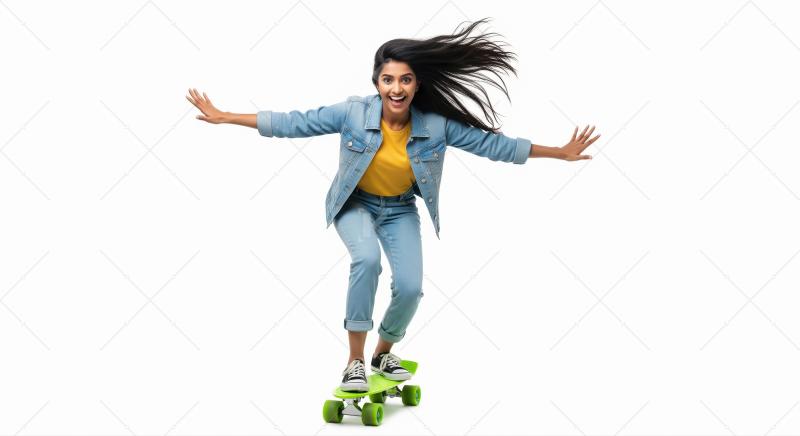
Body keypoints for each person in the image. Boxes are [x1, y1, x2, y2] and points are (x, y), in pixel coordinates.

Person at [186, 18, 600, 392]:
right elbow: (293, 122)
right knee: (366, 261)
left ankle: (383, 352)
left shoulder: (434, 125)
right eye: (388, 80)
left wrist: (559, 152)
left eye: (405, 80)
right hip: (355, 205)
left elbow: (495, 146)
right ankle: (354, 362)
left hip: (400, 209)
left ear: (416, 85)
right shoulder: (352, 113)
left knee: (411, 288)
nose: (396, 88)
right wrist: (224, 116)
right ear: (377, 83)